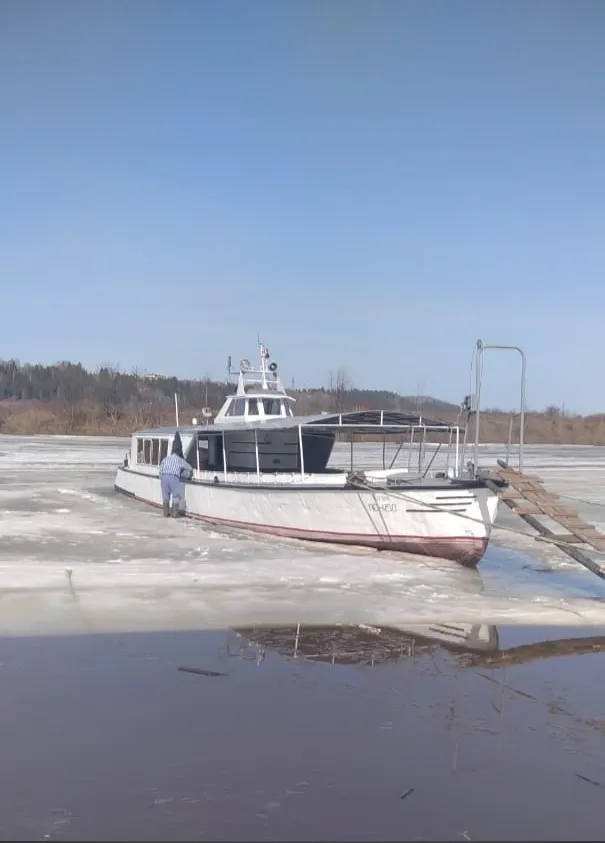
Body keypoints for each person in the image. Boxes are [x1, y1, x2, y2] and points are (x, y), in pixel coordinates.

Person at [159, 433, 193, 517]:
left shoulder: (165, 459)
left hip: (164, 477)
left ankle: (165, 513)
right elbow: (189, 468)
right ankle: (174, 514)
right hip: (174, 477)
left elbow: (160, 470)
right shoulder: (179, 460)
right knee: (175, 496)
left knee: (165, 496)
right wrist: (189, 474)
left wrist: (162, 477)